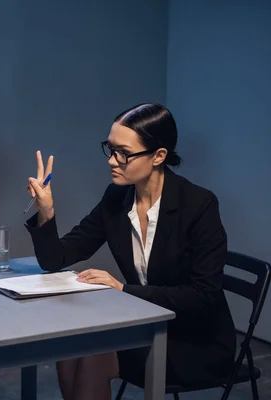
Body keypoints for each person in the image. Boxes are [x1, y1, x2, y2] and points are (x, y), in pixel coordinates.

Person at [24, 103, 236, 400]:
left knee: (95, 355)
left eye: (123, 153)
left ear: (159, 156)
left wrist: (124, 289)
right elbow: (55, 259)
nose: (112, 160)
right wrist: (46, 212)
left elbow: (203, 295)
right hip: (146, 323)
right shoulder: (117, 198)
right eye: (110, 149)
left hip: (196, 340)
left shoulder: (198, 205)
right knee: (71, 343)